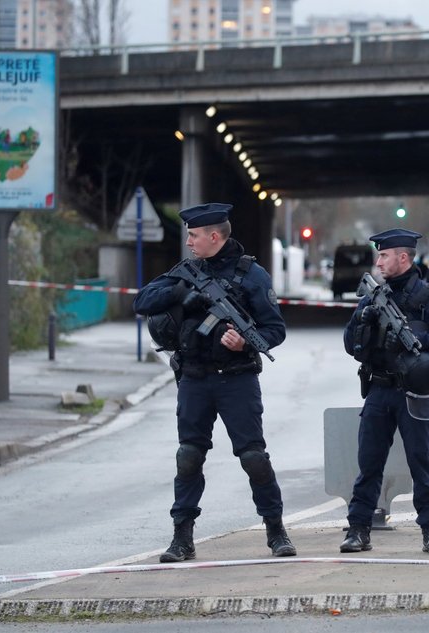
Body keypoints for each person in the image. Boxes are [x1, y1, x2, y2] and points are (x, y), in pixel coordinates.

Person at [133, 202, 296, 563]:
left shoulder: (252, 275)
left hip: (236, 380)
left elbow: (275, 329)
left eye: (193, 236)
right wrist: (181, 296)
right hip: (194, 378)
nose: (189, 242)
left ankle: (276, 530)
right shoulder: (186, 271)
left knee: (254, 457)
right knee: (188, 457)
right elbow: (142, 300)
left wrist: (244, 342)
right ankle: (181, 538)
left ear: (214, 236)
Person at [341, 228, 429, 555]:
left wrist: (416, 341)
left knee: (420, 461)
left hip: (414, 393)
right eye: (379, 255)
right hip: (379, 389)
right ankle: (358, 528)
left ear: (404, 257)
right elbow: (349, 343)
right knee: (369, 463)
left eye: (384, 255)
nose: (378, 261)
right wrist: (364, 323)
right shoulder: (372, 298)